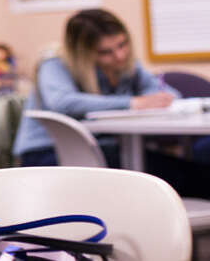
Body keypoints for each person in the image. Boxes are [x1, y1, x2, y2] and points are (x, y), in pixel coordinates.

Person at [12, 9, 180, 168]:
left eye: (123, 44)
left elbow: (170, 94)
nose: (119, 55)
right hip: (48, 153)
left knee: (190, 173)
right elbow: (63, 102)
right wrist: (132, 102)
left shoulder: (126, 66)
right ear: (82, 53)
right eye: (105, 52)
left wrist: (156, 99)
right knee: (170, 176)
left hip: (103, 148)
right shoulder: (54, 64)